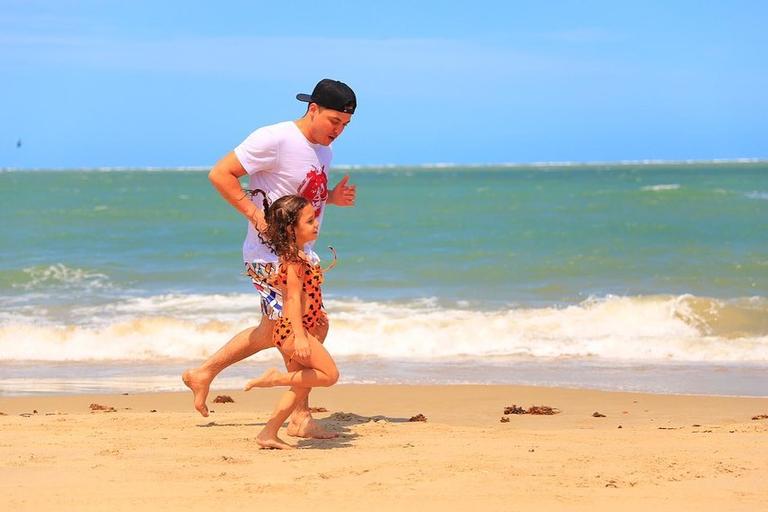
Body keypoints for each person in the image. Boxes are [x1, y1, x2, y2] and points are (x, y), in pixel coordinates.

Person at [182, 79, 356, 439]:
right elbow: (220, 174)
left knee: (279, 330)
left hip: (300, 252)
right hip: (269, 257)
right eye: (334, 121)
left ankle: (203, 373)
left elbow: (303, 196)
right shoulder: (274, 138)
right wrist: (257, 217)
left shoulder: (323, 152)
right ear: (313, 110)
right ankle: (298, 417)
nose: (338, 131)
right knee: (301, 330)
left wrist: (332, 198)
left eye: (345, 125)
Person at [243, 194, 340, 449]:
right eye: (309, 221)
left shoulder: (301, 256)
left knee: (300, 387)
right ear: (291, 228)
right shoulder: (293, 263)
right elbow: (292, 301)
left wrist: (317, 315)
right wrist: (299, 336)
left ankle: (268, 432)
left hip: (304, 328)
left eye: (315, 218)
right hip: (292, 332)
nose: (316, 224)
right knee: (329, 375)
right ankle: (274, 378)